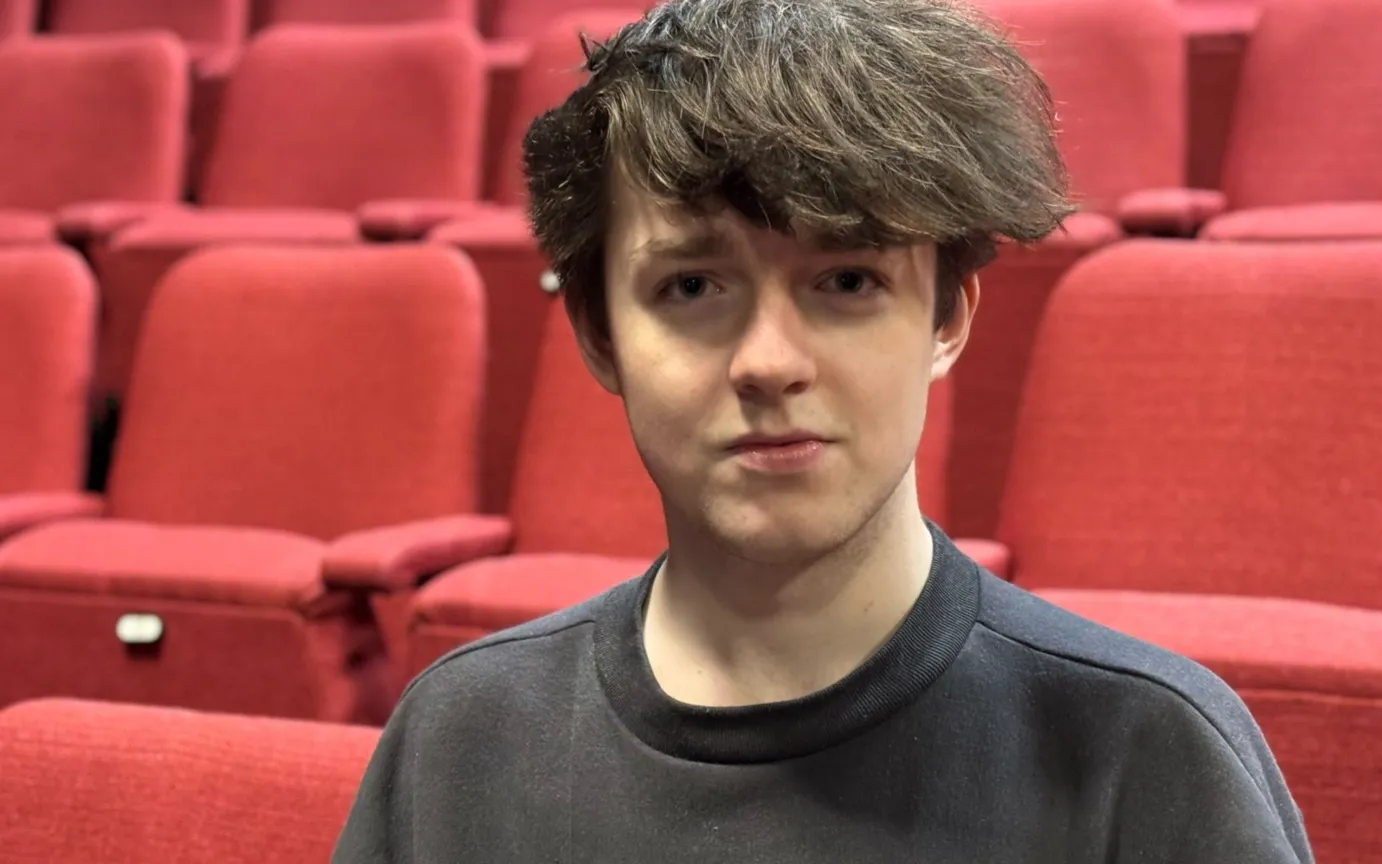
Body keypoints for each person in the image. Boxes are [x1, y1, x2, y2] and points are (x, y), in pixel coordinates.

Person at [332, 0, 1314, 860]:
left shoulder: (1148, 756)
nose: (769, 360)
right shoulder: (458, 743)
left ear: (947, 316)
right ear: (599, 335)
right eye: (693, 287)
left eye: (846, 281)